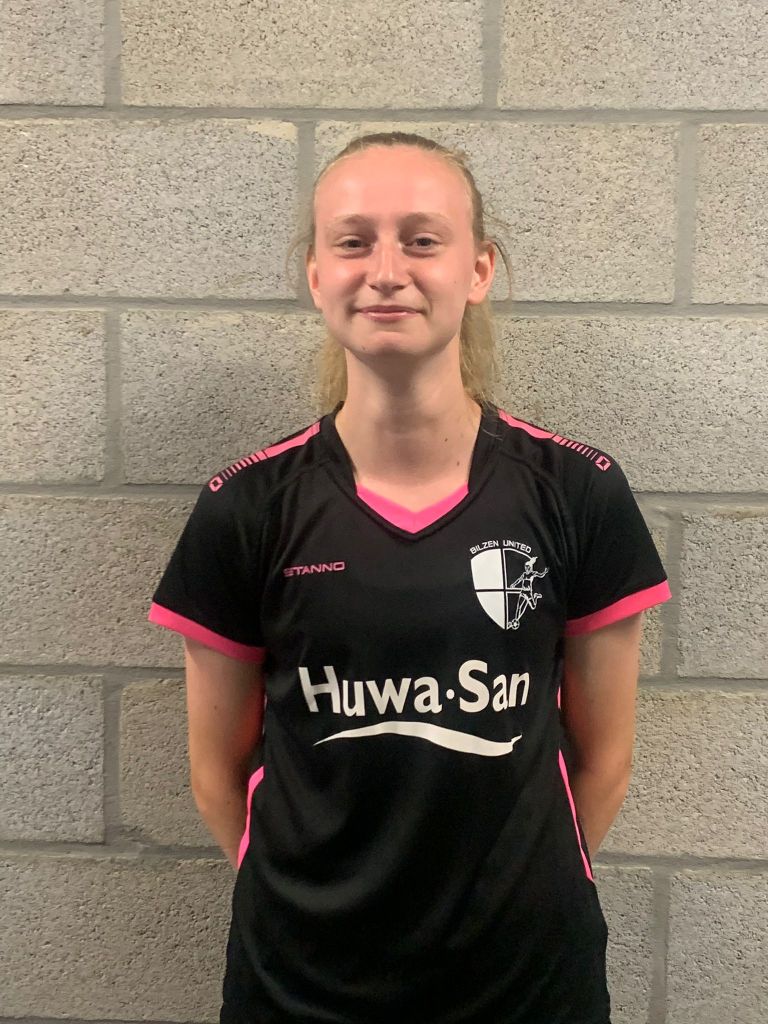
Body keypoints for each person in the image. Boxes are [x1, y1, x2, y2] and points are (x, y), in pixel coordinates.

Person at [147, 131, 672, 1024]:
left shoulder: (578, 490)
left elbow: (605, 760)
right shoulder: (247, 506)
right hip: (301, 988)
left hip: (526, 986)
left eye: (422, 240)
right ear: (316, 273)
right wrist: (316, 909)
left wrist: (508, 902)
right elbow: (216, 772)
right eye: (353, 242)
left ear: (479, 269)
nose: (386, 271)